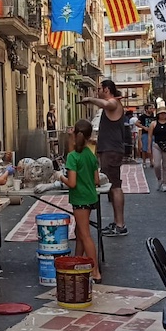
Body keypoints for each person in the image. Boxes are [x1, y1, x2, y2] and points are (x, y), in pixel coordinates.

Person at [81, 79, 128, 236]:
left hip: (111, 151)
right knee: (112, 186)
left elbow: (108, 105)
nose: (97, 91)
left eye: (99, 89)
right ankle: (117, 223)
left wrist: (89, 99)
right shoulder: (112, 106)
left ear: (107, 90)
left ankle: (120, 225)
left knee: (114, 186)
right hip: (109, 150)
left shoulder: (113, 102)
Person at [57, 119, 101, 282]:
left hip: (80, 198)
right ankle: (78, 261)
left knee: (85, 234)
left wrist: (60, 177)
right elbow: (97, 180)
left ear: (76, 134)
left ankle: (95, 270)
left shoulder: (73, 157)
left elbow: (72, 183)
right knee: (79, 232)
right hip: (90, 197)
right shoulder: (90, 154)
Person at [148, 106, 166, 192]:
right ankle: (159, 179)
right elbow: (150, 136)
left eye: (164, 114)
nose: (163, 115)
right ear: (158, 115)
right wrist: (149, 148)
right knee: (157, 165)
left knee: (165, 165)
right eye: (161, 114)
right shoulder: (153, 124)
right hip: (156, 145)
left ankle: (165, 183)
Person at [138, 103, 155, 168]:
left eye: (152, 108)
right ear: (146, 109)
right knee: (144, 149)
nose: (151, 110)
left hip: (153, 134)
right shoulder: (142, 117)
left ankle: (151, 161)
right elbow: (137, 123)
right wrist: (144, 127)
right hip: (145, 134)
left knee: (152, 148)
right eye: (150, 108)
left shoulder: (154, 117)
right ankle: (144, 162)